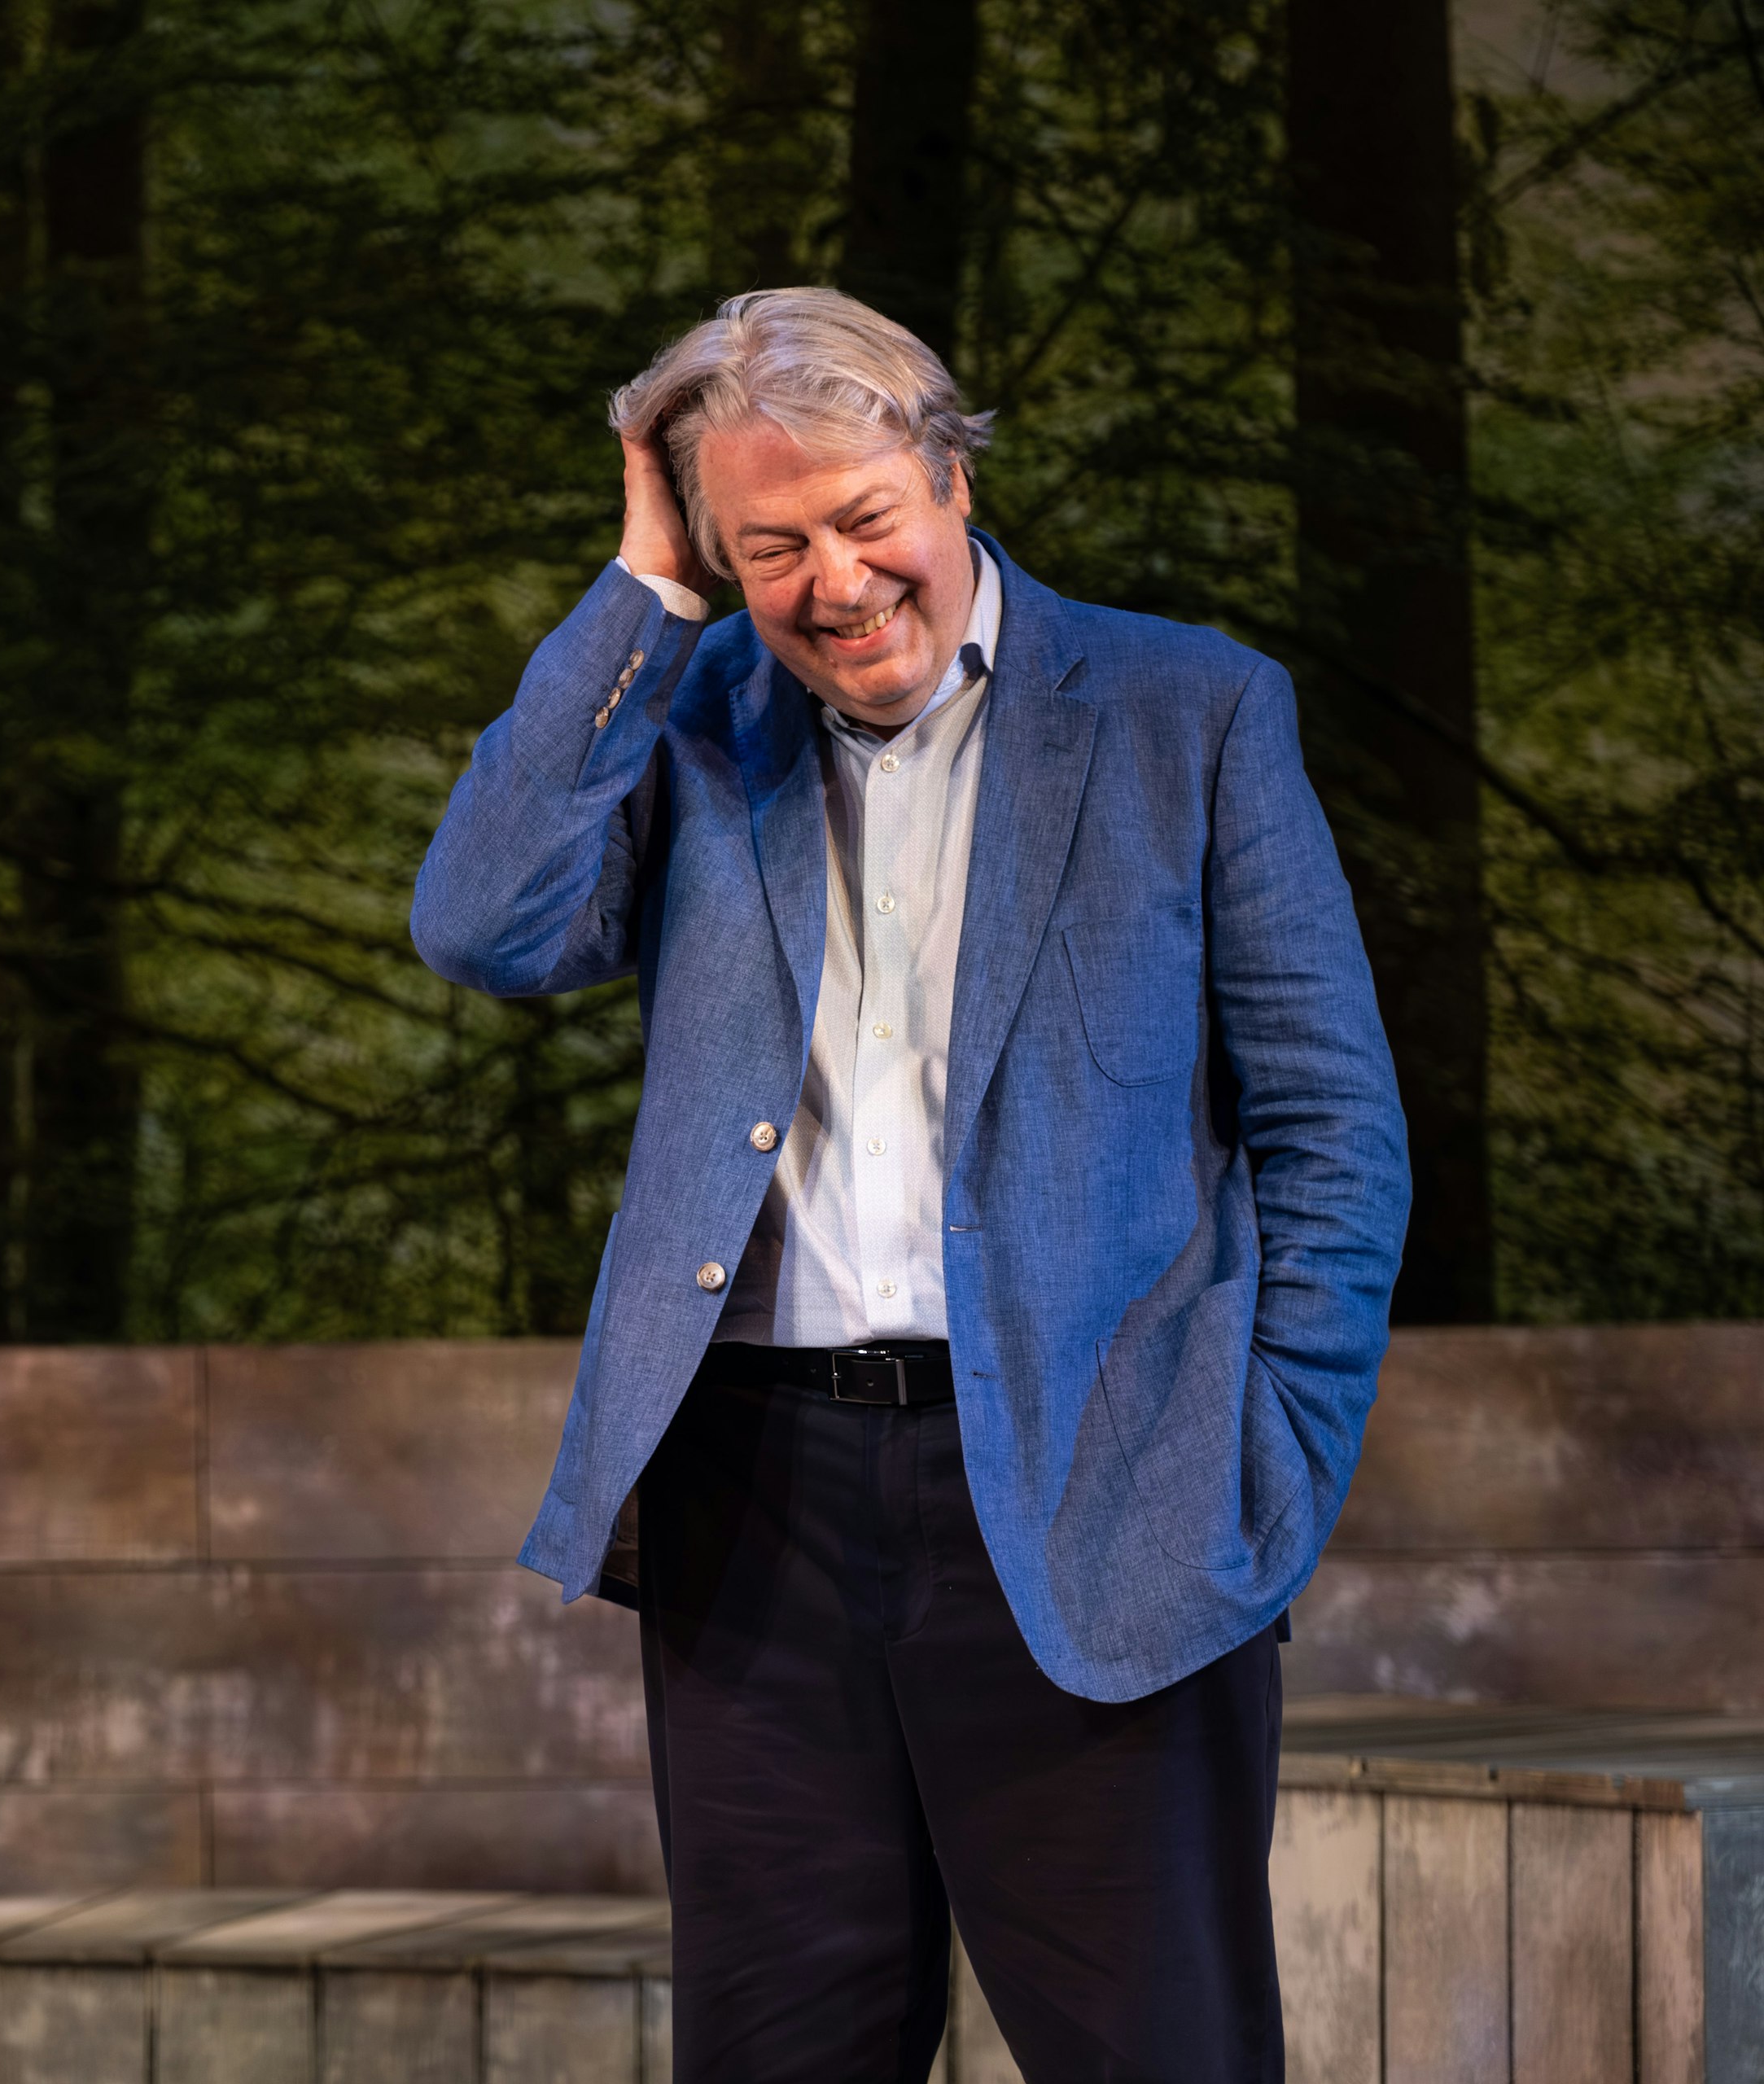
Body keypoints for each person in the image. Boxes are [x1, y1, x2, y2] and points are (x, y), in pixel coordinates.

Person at [409, 287, 1408, 2081]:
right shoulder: (700, 715)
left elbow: (1335, 1127)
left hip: (1103, 1489)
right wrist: (645, 585)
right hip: (756, 1504)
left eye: (867, 519)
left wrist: (1263, 1467)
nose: (835, 581)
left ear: (952, 476)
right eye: (771, 543)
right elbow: (479, 920)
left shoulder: (1189, 710)